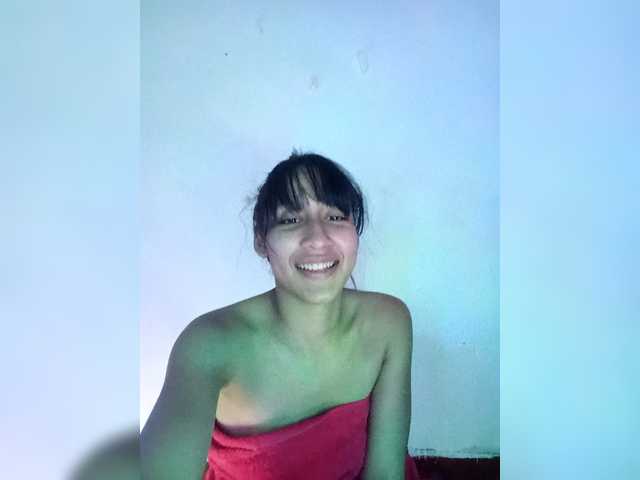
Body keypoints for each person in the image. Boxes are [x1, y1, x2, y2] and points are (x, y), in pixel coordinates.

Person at [141, 151, 419, 479]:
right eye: (290, 220)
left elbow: (385, 471)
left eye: (335, 217)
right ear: (261, 241)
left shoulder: (389, 323)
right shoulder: (209, 344)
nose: (318, 238)